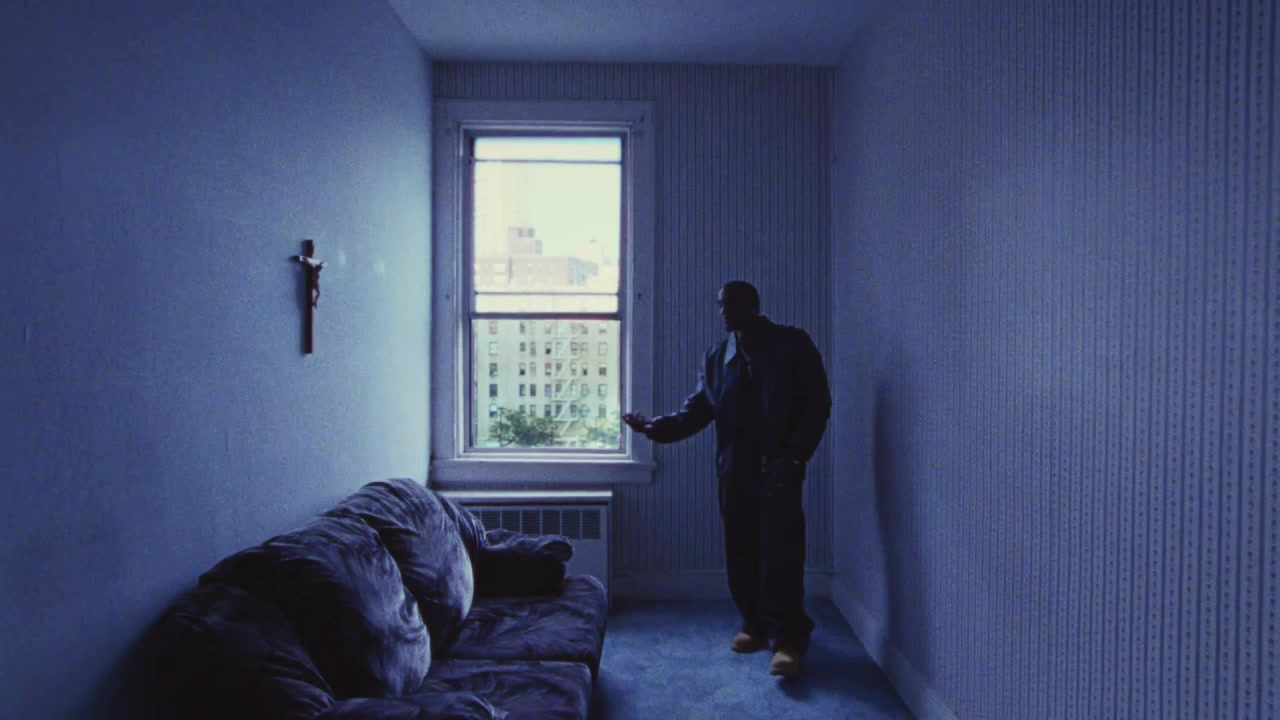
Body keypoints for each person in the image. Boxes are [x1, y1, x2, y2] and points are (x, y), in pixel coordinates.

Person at [623, 280, 831, 677]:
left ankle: (788, 638)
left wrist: (795, 456)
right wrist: (654, 428)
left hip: (778, 470)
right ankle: (755, 623)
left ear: (753, 305)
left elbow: (817, 405)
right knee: (741, 550)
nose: (723, 313)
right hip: (733, 471)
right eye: (721, 305)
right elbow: (698, 410)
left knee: (781, 553)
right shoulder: (718, 358)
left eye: (730, 305)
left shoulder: (792, 345)